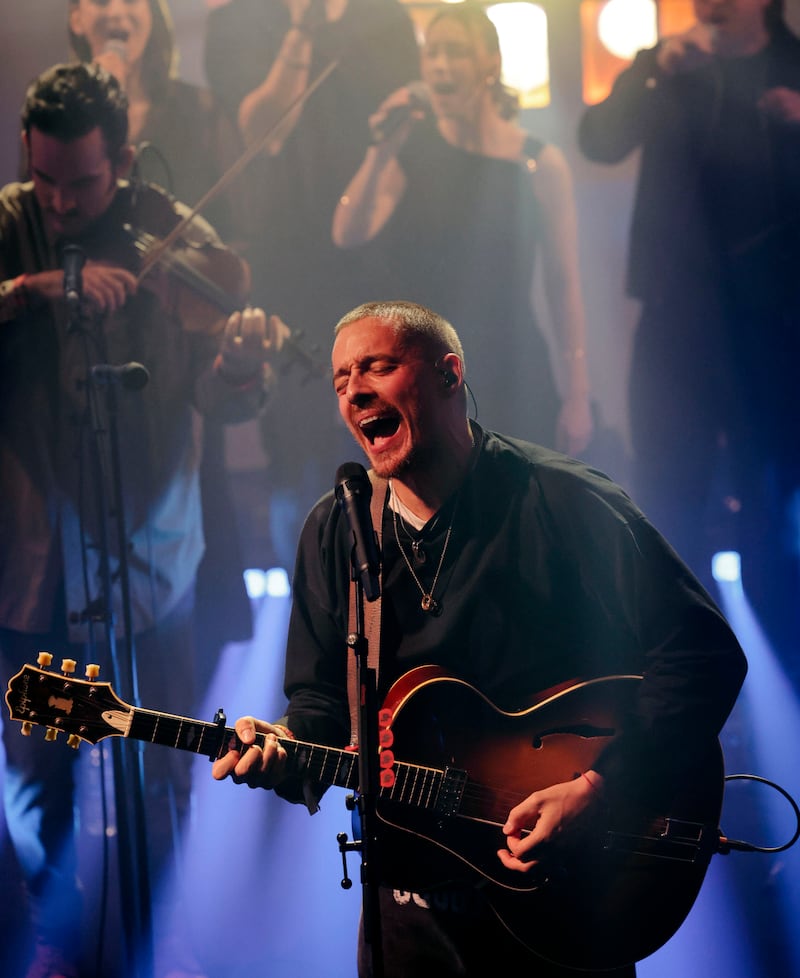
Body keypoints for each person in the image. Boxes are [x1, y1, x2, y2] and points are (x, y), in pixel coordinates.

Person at [212, 299, 747, 977]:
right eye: (342, 379)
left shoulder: (561, 499)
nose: (355, 391)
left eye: (377, 366)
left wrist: (602, 787)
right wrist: (285, 746)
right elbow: (320, 705)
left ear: (448, 373)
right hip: (407, 902)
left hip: (564, 886)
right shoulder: (337, 528)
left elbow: (700, 654)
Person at [0, 62, 287, 978]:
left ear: (121, 161)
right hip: (31, 556)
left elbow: (226, 398)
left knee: (164, 766)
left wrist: (240, 360)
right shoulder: (10, 227)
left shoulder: (170, 230)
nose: (61, 199)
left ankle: (165, 937)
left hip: (150, 553)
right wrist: (35, 291)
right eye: (44, 177)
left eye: (82, 182)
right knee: (32, 774)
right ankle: (62, 931)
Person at [578, 0, 800, 667]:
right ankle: (680, 670)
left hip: (777, 325)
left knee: (776, 505)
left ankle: (785, 667)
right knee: (668, 493)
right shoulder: (667, 68)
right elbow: (599, 140)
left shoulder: (792, 67)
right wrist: (648, 68)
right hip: (678, 318)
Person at [67, 0, 255, 686]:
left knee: (182, 576)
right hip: (80, 358)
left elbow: (232, 236)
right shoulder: (56, 116)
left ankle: (177, 750)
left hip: (174, 358)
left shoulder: (195, 111)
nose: (118, 9)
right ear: (77, 18)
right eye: (100, 0)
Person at [204, 0, 420, 570]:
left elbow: (411, 127)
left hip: (372, 261)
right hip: (285, 264)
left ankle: (389, 602)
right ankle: (309, 606)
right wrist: (303, 23)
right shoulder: (241, 22)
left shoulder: (386, 19)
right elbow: (262, 128)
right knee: (294, 452)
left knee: (379, 443)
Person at [332, 4, 593, 458]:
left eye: (456, 53)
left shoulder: (536, 162)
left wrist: (577, 396)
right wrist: (380, 152)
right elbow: (347, 233)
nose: (440, 65)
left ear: (490, 63)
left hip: (515, 363)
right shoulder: (409, 153)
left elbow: (563, 284)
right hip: (429, 371)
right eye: (432, 54)